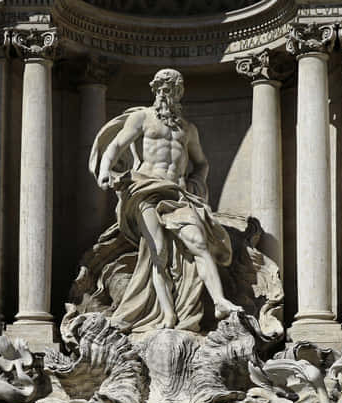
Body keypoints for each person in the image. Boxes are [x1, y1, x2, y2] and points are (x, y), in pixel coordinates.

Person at [91, 68, 242, 332]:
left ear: (179, 93)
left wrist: (197, 186)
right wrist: (105, 170)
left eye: (171, 89)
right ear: (155, 90)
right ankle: (168, 315)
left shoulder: (188, 130)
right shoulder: (142, 118)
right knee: (157, 251)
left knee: (198, 242)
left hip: (177, 193)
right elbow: (116, 145)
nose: (165, 94)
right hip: (145, 189)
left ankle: (219, 302)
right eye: (161, 88)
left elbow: (202, 163)